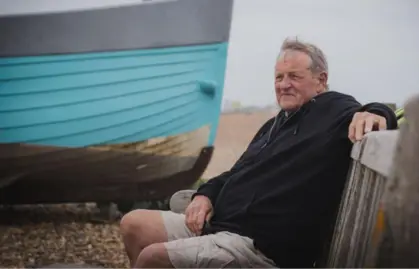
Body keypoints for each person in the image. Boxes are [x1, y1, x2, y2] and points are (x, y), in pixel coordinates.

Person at [119, 37, 398, 268]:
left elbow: (370, 111)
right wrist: (206, 195)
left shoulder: (333, 111)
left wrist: (375, 113)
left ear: (321, 80)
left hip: (258, 247)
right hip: (221, 226)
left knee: (152, 258)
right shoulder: (275, 125)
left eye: (294, 77)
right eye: (279, 77)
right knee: (134, 224)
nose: (283, 84)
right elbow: (237, 171)